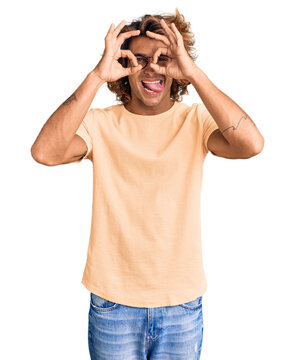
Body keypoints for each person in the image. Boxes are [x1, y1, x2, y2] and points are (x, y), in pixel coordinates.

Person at [30, 8, 264, 360]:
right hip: (114, 304)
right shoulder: (100, 124)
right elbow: (44, 152)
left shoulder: (196, 121)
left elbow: (252, 144)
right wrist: (96, 74)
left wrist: (193, 72)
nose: (152, 67)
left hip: (181, 304)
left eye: (163, 58)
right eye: (139, 59)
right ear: (124, 66)